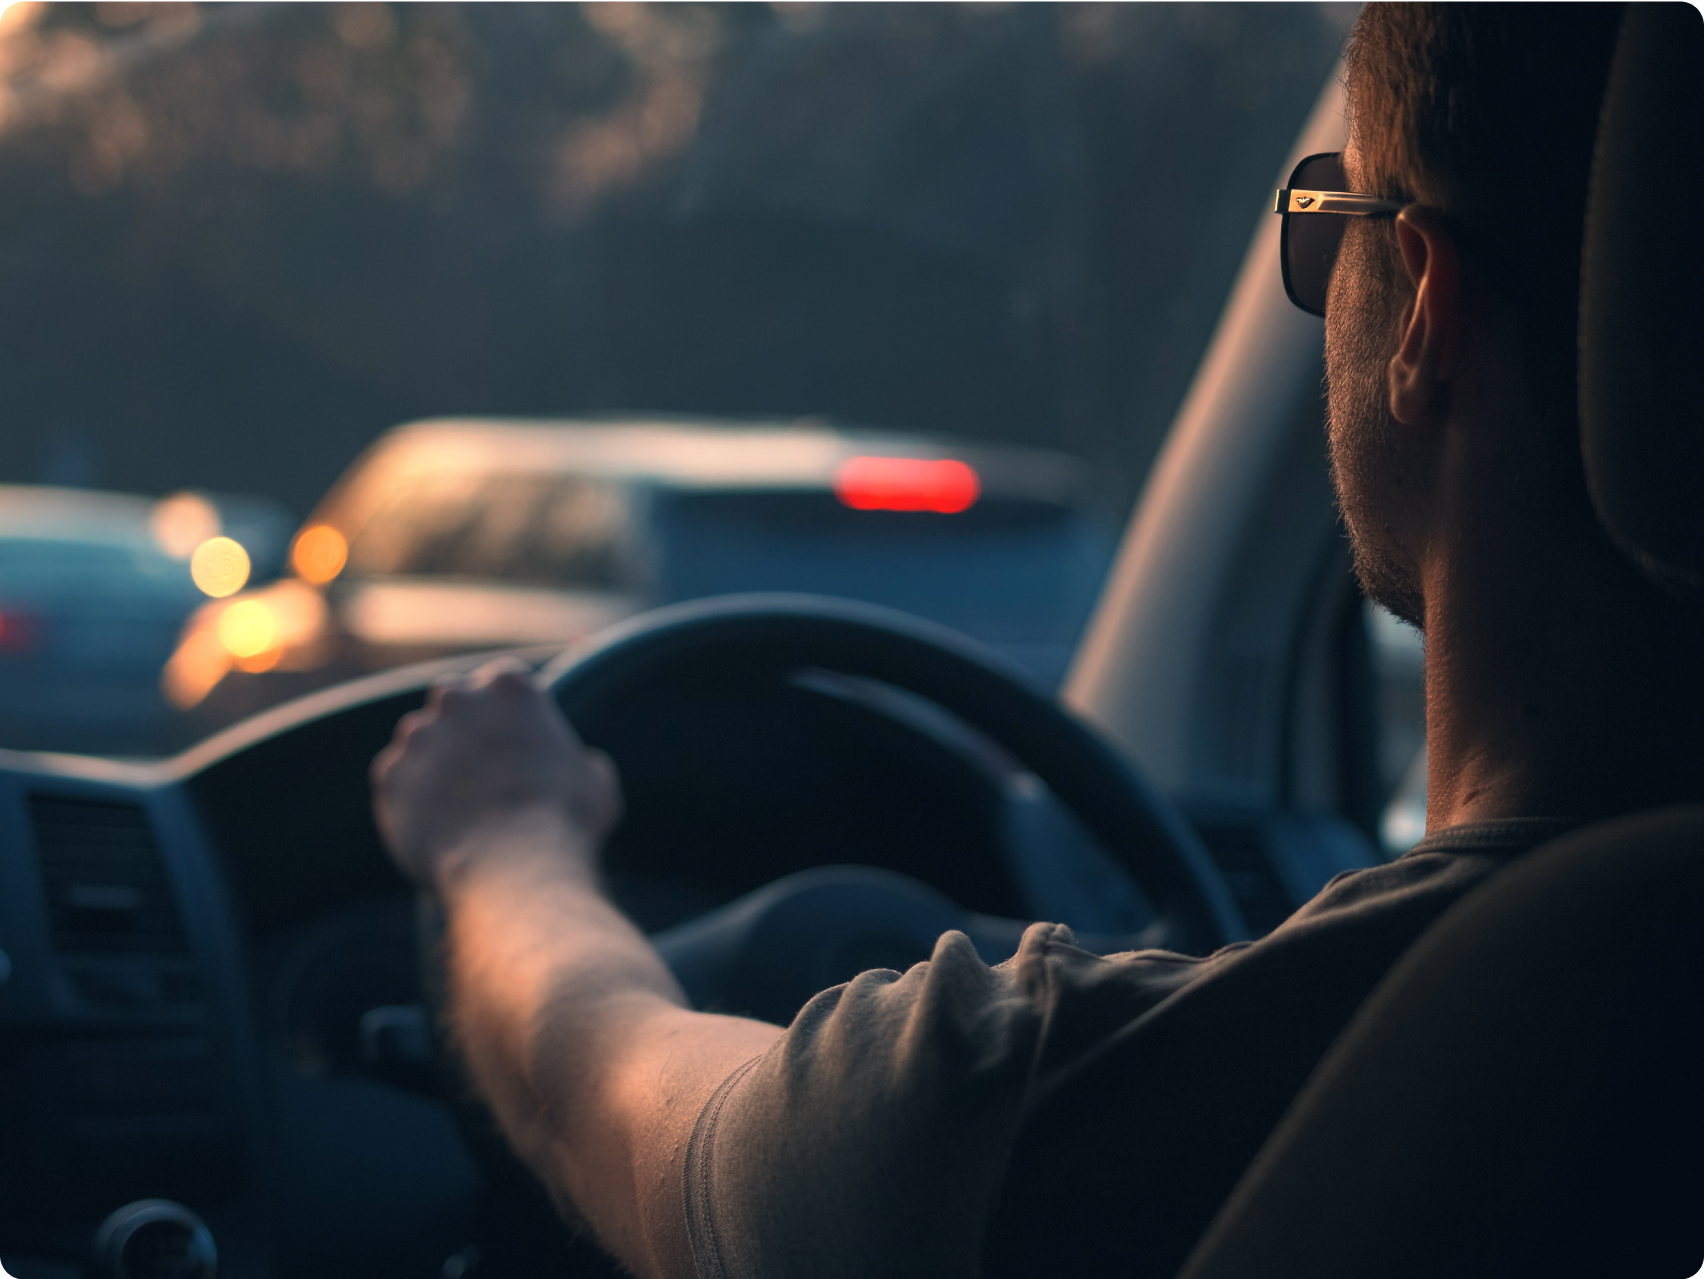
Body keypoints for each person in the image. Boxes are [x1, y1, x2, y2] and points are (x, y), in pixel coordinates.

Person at [371, 4, 1679, 1276]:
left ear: (1424, 321)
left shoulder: (1055, 1115)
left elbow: (596, 1088)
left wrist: (502, 844)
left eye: (1333, 222)